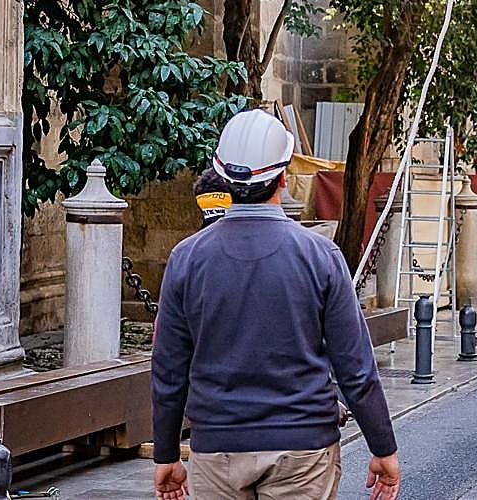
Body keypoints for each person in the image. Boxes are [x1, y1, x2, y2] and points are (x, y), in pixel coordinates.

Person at [151, 109, 400, 500]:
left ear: (223, 178)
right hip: (303, 448)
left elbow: (168, 370)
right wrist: (382, 447)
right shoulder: (321, 256)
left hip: (217, 447)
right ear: (283, 177)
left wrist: (166, 454)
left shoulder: (187, 259)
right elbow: (355, 366)